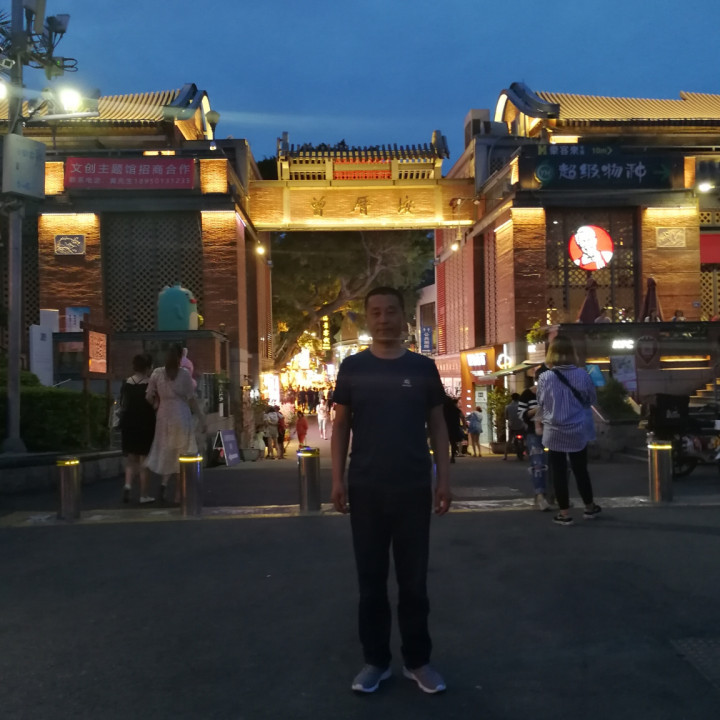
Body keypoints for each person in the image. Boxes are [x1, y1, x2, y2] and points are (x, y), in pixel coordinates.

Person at [331, 286, 450, 695]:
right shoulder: (352, 368)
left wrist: (443, 480)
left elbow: (438, 426)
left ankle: (418, 661)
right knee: (371, 581)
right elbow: (341, 425)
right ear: (368, 318)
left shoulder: (423, 368)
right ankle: (376, 662)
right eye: (376, 312)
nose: (384, 319)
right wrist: (337, 479)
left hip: (413, 487)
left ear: (404, 316)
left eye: (391, 312)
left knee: (414, 582)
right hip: (365, 487)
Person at [536, 335, 601, 526]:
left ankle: (564, 514)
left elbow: (541, 403)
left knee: (559, 472)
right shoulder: (583, 375)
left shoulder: (545, 377)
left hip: (554, 430)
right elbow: (591, 399)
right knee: (580, 469)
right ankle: (589, 507)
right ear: (572, 352)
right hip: (577, 428)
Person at [144, 344, 206, 503]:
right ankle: (179, 493)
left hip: (163, 415)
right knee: (182, 453)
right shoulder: (184, 374)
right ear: (180, 357)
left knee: (166, 450)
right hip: (181, 415)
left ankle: (164, 484)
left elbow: (148, 396)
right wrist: (201, 418)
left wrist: (156, 405)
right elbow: (191, 399)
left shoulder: (157, 373)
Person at [120, 353, 156, 504]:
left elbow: (122, 404)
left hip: (128, 423)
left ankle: (128, 485)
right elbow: (153, 403)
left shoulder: (127, 383)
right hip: (145, 423)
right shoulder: (150, 384)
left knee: (131, 459)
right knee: (144, 461)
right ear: (148, 367)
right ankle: (143, 495)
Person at [518, 369, 551, 510]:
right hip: (534, 433)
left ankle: (556, 495)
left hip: (554, 433)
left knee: (559, 464)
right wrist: (536, 409)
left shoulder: (554, 392)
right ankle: (540, 495)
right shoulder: (527, 394)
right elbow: (521, 415)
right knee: (538, 464)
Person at [443, 396, 466, 463]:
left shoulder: (444, 410)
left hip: (446, 427)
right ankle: (452, 457)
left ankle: (445, 456)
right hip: (454, 427)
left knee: (445, 442)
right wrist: (464, 425)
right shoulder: (456, 410)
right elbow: (462, 417)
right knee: (453, 442)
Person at [503, 393, 526, 461]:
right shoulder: (522, 406)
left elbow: (506, 417)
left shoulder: (507, 407)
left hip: (512, 426)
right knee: (526, 438)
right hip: (521, 425)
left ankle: (505, 456)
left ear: (512, 398)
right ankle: (527, 452)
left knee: (509, 440)